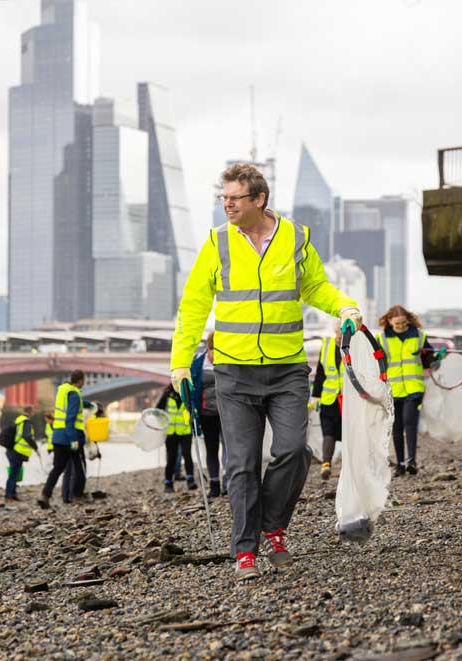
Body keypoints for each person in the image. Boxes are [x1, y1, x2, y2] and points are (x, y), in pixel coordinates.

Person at [170, 163, 361, 581]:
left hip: (287, 368)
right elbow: (193, 307)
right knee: (240, 464)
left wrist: (344, 306)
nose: (227, 204)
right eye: (223, 197)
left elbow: (315, 287)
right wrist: (181, 362)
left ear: (259, 199)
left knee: (295, 451)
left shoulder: (295, 237)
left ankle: (273, 525)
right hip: (234, 373)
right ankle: (245, 552)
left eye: (234, 198)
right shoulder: (217, 243)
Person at [376, 305, 444, 477]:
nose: (400, 326)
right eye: (397, 323)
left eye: (403, 323)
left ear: (408, 320)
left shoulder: (419, 336)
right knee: (396, 426)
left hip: (414, 387)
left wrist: (436, 358)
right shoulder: (382, 339)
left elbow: (429, 361)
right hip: (393, 389)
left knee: (409, 422)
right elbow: (376, 363)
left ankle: (411, 461)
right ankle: (399, 464)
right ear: (389, 321)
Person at [37, 370, 86, 509]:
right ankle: (78, 496)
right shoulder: (75, 395)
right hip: (70, 437)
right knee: (78, 468)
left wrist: (86, 403)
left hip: (57, 437)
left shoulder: (62, 391)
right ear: (81, 380)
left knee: (57, 468)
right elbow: (69, 419)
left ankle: (45, 495)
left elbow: (65, 410)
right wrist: (73, 439)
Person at [191, 331, 224, 497]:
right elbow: (192, 388)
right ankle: (214, 484)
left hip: (229, 413)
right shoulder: (198, 363)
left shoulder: (229, 359)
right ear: (209, 348)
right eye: (214, 350)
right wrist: (191, 410)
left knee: (231, 449)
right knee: (211, 449)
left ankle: (230, 482)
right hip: (206, 414)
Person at [311, 323, 343, 480]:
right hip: (329, 397)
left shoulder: (357, 347)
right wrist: (316, 396)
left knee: (350, 433)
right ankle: (326, 464)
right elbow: (320, 372)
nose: (340, 337)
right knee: (328, 431)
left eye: (343, 333)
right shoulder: (328, 345)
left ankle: (352, 467)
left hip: (349, 400)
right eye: (338, 333)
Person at [156, 384, 197, 493]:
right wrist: (161, 425)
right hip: (171, 432)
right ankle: (168, 483)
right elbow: (158, 411)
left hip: (185, 431)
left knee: (187, 455)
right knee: (171, 458)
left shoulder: (188, 393)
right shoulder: (167, 394)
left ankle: (190, 480)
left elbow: (194, 410)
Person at [5, 406, 37, 501]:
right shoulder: (26, 422)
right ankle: (9, 495)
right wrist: (35, 446)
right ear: (30, 412)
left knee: (15, 473)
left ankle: (13, 494)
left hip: (13, 450)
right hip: (18, 451)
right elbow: (27, 436)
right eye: (33, 412)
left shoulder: (18, 421)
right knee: (13, 474)